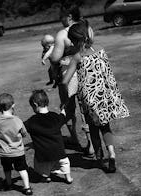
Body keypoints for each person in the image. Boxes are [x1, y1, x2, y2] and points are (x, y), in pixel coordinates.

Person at [62, 20, 129, 173]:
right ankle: (111, 154)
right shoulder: (100, 49)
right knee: (106, 127)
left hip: (89, 99)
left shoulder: (77, 57)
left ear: (73, 40)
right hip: (104, 96)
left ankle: (100, 158)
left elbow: (65, 81)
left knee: (93, 130)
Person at [49, 6, 94, 155]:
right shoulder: (87, 28)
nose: (60, 20)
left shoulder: (62, 34)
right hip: (86, 69)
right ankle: (91, 144)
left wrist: (50, 53)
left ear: (68, 17)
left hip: (68, 73)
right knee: (86, 108)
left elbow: (55, 58)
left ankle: (74, 138)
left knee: (68, 107)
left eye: (61, 17)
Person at [0, 93, 33, 195]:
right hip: (18, 152)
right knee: (22, 169)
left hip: (5, 153)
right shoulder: (17, 120)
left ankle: (9, 184)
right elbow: (24, 134)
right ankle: (27, 187)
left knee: (7, 169)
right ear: (13, 105)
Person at [24, 90, 73, 184]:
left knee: (40, 165)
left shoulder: (32, 121)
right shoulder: (55, 117)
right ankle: (68, 177)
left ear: (35, 104)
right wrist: (63, 110)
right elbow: (63, 117)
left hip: (43, 155)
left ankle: (45, 176)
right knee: (65, 163)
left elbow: (21, 127)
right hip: (59, 152)